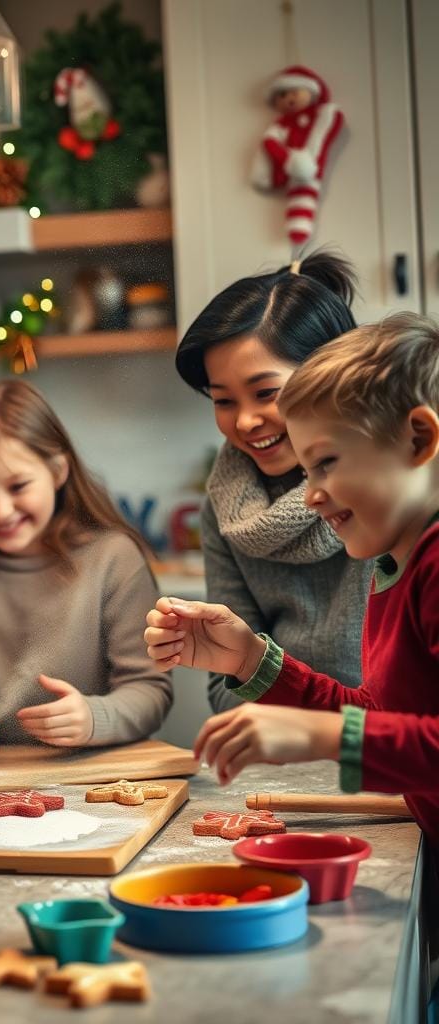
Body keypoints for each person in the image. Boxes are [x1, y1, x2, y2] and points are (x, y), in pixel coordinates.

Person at [144, 312, 439, 850]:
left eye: (325, 464)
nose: (311, 495)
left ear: (418, 439)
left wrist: (319, 734)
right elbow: (387, 720)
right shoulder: (395, 564)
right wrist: (251, 662)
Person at [0, 379, 172, 761]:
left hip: (90, 775)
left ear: (58, 471)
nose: (0, 511)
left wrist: (95, 718)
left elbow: (149, 690)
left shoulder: (114, 558)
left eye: (18, 486)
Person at [173, 251, 372, 714]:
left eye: (266, 393)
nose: (245, 421)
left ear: (333, 375)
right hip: (286, 758)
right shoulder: (225, 508)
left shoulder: (391, 487)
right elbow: (227, 688)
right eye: (223, 401)